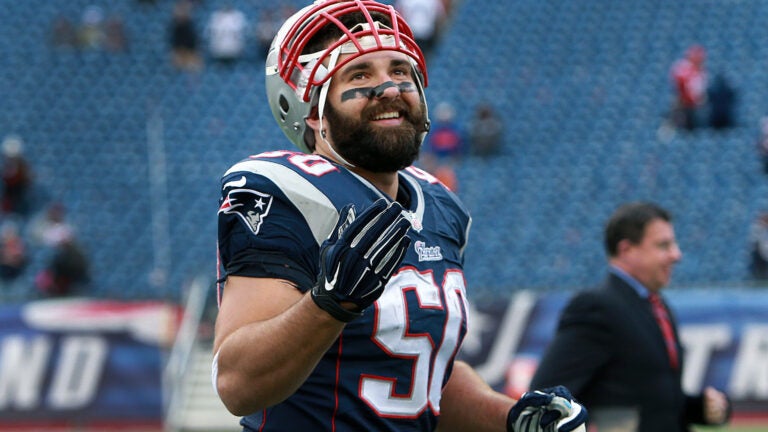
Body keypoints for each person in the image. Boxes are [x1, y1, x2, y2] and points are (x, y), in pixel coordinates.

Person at [212, 1, 587, 431]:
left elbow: (419, 375)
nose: (389, 88)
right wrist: (327, 305)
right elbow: (237, 384)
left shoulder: (440, 207)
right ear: (312, 112)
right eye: (359, 75)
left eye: (400, 71)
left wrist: (511, 418)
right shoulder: (289, 192)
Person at [529, 202, 731, 432]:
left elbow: (651, 397)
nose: (677, 254)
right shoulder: (596, 307)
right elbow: (548, 396)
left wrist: (698, 408)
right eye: (663, 245)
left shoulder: (656, 305)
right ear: (627, 250)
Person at [669, 45, 707, 131]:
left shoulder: (701, 71)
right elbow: (681, 86)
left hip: (696, 105)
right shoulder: (683, 69)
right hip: (684, 103)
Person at [748, 211, 768, 282]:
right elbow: (756, 240)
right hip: (759, 252)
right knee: (759, 269)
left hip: (764, 251)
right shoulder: (757, 227)